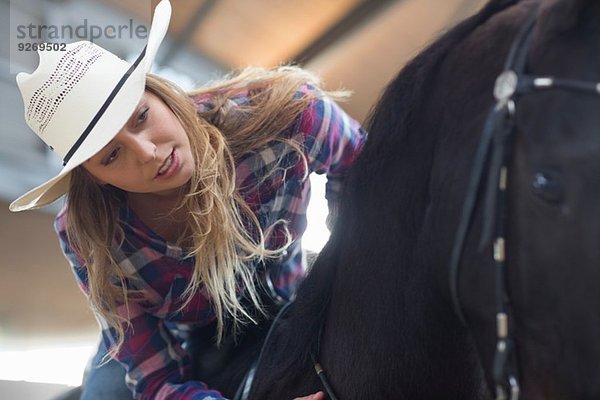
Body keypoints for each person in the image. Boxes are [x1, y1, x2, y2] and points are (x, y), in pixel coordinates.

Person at [11, 1, 366, 399]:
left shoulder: (288, 115)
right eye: (111, 156)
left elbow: (365, 170)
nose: (147, 153)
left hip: (289, 295)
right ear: (93, 178)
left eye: (141, 116)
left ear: (160, 93)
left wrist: (347, 260)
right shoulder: (90, 233)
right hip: (176, 344)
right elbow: (157, 379)